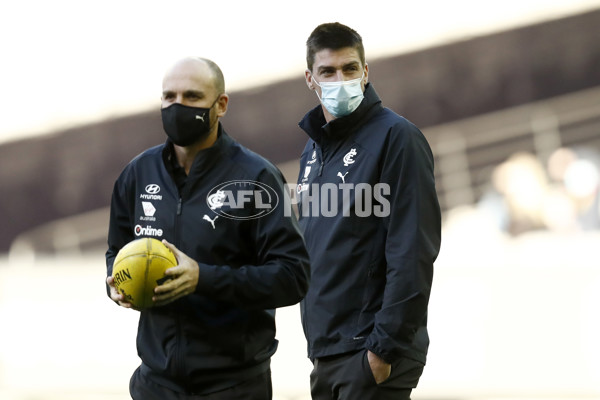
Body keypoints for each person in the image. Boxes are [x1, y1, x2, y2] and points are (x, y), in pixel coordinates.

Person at [105, 56, 310, 399]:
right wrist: (116, 283)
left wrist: (203, 278)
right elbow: (116, 251)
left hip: (234, 385)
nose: (177, 106)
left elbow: (293, 277)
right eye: (169, 97)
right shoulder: (137, 174)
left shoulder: (254, 178)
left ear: (221, 104)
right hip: (156, 384)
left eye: (192, 97)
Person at [295, 23, 442, 400]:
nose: (340, 79)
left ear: (366, 73)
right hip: (327, 352)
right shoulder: (313, 151)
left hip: (370, 354)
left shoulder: (397, 137)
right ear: (310, 78)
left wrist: (382, 350)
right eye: (328, 71)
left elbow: (413, 249)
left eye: (350, 68)